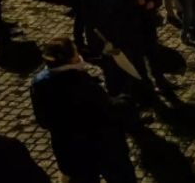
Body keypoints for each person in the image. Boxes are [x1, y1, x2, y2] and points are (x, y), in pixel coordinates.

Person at [30, 37, 137, 183]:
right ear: (71, 59)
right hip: (103, 146)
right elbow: (109, 108)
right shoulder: (82, 85)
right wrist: (126, 99)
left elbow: (43, 121)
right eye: (75, 52)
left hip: (70, 151)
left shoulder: (39, 84)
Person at [116, 0, 171, 92]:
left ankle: (159, 79)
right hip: (132, 23)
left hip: (148, 20)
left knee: (153, 52)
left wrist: (153, 3)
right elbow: (119, 4)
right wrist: (135, 2)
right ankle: (145, 83)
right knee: (138, 55)